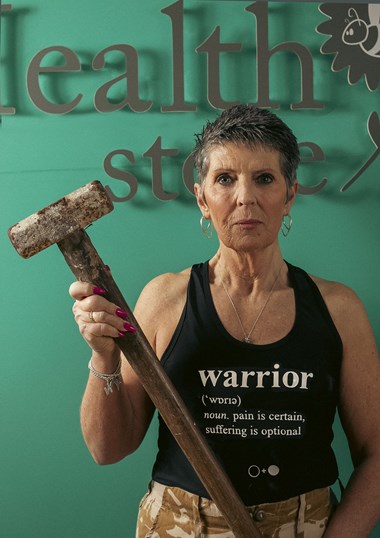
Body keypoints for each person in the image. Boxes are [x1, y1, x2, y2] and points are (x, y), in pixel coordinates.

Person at [69, 104, 380, 538]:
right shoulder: (165, 300)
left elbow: (376, 454)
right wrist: (102, 356)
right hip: (177, 526)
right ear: (202, 197)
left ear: (290, 194)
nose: (245, 198)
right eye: (225, 179)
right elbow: (108, 448)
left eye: (265, 179)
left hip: (306, 527)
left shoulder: (339, 309)